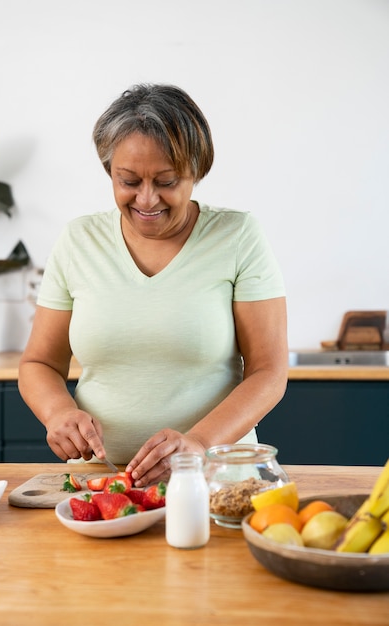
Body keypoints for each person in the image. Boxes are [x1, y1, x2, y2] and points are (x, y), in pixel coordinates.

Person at [18, 83, 288, 487]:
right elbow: (39, 363)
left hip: (214, 476)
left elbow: (269, 372)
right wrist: (57, 413)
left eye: (166, 181)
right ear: (110, 171)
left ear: (195, 172)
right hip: (100, 481)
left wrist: (198, 442)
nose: (146, 199)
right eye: (129, 181)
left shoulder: (237, 236)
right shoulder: (78, 240)